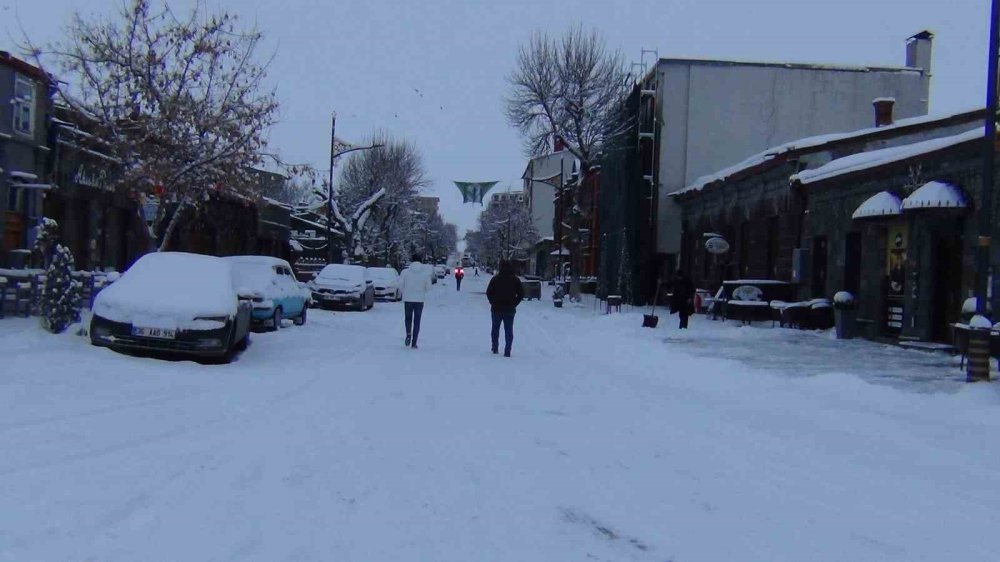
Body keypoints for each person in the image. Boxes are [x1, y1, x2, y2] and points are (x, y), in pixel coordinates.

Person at [486, 260, 524, 357]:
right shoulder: (515, 280)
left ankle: (495, 347)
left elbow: (489, 292)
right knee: (508, 330)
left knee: (495, 329)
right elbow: (521, 294)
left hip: (496, 308)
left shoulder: (495, 279)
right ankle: (507, 350)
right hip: (509, 309)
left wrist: (492, 302)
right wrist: (514, 303)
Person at [399, 253, 431, 348]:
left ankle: (408, 333)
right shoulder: (425, 273)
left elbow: (400, 285)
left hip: (408, 299)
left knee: (408, 318)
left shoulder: (405, 272)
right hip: (419, 299)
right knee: (417, 321)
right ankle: (414, 342)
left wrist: (405, 291)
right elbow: (428, 287)